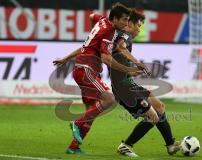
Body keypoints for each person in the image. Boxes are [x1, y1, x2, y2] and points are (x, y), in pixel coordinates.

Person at [53, 3, 143, 154]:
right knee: (109, 99)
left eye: (128, 20)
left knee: (92, 110)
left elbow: (91, 18)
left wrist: (67, 57)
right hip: (87, 70)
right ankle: (77, 122)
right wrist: (128, 70)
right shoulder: (110, 31)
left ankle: (73, 147)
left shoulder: (102, 21)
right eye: (124, 20)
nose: (126, 23)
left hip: (82, 69)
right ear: (114, 19)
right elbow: (106, 59)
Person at [108, 9, 180, 157]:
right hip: (123, 88)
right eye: (138, 26)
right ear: (129, 23)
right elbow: (120, 48)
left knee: (159, 106)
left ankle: (171, 145)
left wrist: (132, 70)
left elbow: (117, 60)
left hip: (128, 83)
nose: (139, 30)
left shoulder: (123, 37)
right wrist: (137, 63)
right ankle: (126, 145)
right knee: (153, 117)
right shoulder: (125, 36)